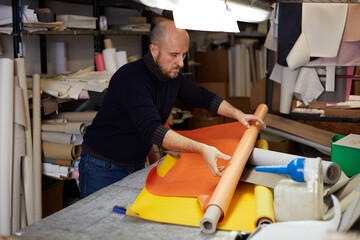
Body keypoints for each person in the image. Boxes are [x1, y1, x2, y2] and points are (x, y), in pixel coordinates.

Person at [79, 20, 266, 198]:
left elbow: (201, 96)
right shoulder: (132, 78)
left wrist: (238, 114)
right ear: (154, 50)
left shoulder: (171, 75)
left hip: (133, 162)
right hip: (102, 165)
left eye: (184, 55)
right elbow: (154, 131)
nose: (181, 63)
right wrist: (202, 149)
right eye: (174, 55)